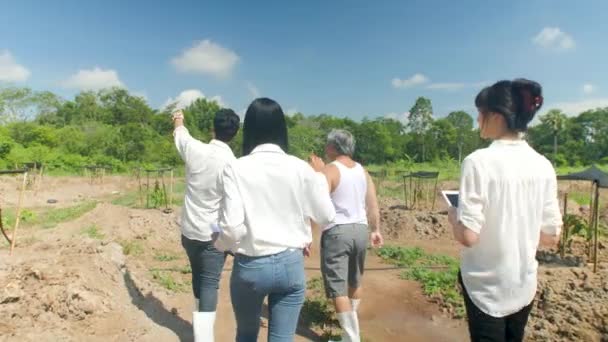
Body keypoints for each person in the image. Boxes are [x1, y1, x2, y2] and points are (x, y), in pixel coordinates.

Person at [447, 79, 562, 342]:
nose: (478, 119)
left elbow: (468, 236)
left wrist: (454, 217)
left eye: (481, 113)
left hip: (486, 287)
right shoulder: (543, 165)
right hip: (523, 284)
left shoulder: (478, 162)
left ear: (496, 117)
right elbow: (551, 237)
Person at [213, 97, 335, 342]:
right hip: (291, 264)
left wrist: (220, 245)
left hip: (251, 266)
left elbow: (233, 229)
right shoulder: (300, 168)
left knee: (246, 334)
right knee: (282, 338)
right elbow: (326, 215)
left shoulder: (236, 168)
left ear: (249, 129)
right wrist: (320, 178)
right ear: (281, 129)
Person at [309, 129, 384, 342]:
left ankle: (351, 338)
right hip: (360, 230)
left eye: (327, 144)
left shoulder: (329, 171)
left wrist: (318, 173)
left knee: (337, 288)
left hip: (337, 232)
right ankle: (350, 321)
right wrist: (375, 230)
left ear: (333, 147)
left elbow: (317, 203)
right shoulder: (363, 171)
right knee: (355, 281)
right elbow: (372, 204)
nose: (325, 148)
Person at [172, 107, 240, 342]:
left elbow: (181, 135)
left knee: (197, 277)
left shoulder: (195, 149)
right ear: (235, 133)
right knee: (210, 283)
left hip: (189, 231)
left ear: (213, 127)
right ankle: (203, 337)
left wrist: (179, 119)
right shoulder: (233, 164)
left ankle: (200, 330)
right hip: (213, 236)